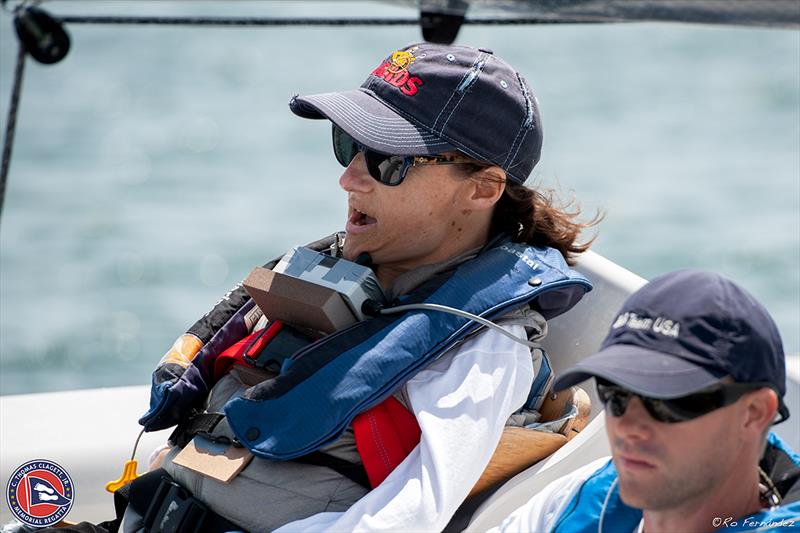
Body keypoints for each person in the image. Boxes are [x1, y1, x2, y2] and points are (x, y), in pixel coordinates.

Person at [35, 43, 596, 533]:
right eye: (346, 146)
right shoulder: (331, 274)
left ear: (483, 189)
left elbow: (410, 516)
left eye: (387, 161)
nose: (349, 176)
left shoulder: (482, 344)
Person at [493, 269, 800, 533]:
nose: (629, 427)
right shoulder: (580, 496)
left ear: (754, 413)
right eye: (616, 395)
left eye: (666, 400)